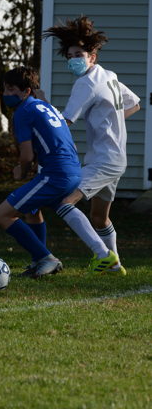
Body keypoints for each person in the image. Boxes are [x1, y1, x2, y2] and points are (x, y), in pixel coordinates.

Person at [43, 16, 140, 274]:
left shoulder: (85, 83)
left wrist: (41, 104)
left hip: (104, 160)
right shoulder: (109, 76)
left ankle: (103, 255)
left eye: (79, 55)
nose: (73, 60)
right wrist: (110, 119)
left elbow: (64, 121)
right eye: (70, 56)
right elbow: (135, 104)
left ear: (92, 57)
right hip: (116, 159)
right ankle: (114, 265)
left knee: (64, 203)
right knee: (99, 217)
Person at [0, 66, 82, 278]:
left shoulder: (23, 112)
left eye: (11, 89)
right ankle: (38, 262)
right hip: (73, 171)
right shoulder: (44, 106)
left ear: (26, 91)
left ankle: (46, 258)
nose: (6, 94)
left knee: (1, 215)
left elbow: (26, 156)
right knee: (32, 210)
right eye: (4, 88)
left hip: (57, 174)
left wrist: (21, 171)